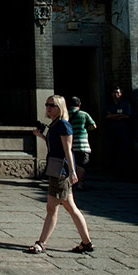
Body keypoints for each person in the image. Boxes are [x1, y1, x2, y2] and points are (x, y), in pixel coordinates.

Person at [27, 95, 93, 255]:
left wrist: (72, 171)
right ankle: (86, 242)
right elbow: (54, 147)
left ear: (60, 107)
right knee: (70, 207)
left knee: (52, 208)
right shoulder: (55, 124)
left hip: (60, 171)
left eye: (53, 105)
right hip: (56, 169)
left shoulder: (63, 125)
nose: (49, 108)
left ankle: (41, 243)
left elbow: (67, 150)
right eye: (47, 104)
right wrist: (42, 136)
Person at [68, 96, 96, 190]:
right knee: (81, 164)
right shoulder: (84, 114)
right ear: (79, 105)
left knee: (72, 163)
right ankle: (80, 183)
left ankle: (71, 182)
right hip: (82, 143)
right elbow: (93, 126)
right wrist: (86, 129)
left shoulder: (66, 114)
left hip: (70, 142)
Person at [105, 87, 132, 178]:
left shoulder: (125, 104)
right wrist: (120, 115)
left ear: (120, 94)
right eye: (113, 92)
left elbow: (127, 116)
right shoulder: (109, 104)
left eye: (117, 92)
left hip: (123, 131)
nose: (115, 94)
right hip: (112, 131)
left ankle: (124, 172)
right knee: (113, 150)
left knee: (124, 150)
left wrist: (114, 116)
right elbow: (108, 116)